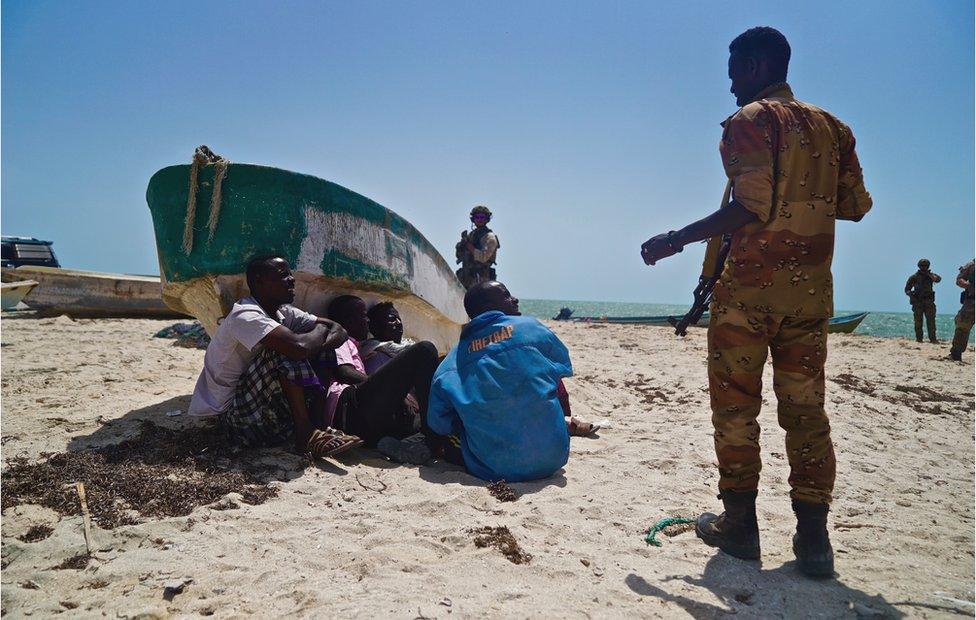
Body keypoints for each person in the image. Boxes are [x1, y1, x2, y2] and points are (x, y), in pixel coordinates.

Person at [639, 27, 872, 578]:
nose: (729, 84)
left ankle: (740, 527)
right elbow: (855, 205)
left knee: (737, 408)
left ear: (753, 64)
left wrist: (672, 240)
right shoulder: (834, 128)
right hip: (811, 297)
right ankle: (814, 539)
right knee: (806, 411)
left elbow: (751, 204)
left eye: (733, 71)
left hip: (748, 295)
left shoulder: (749, 122)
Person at [187, 256, 363, 458]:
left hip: (264, 414)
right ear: (259, 281)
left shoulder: (283, 313)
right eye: (283, 276)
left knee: (320, 348)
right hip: (231, 420)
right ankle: (305, 434)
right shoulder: (245, 315)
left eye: (290, 274)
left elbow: (339, 330)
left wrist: (316, 337)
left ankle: (318, 427)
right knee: (282, 349)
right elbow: (299, 347)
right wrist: (317, 334)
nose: (291, 280)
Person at [427, 281, 596, 482]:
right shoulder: (531, 327)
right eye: (506, 295)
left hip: (491, 469)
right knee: (546, 373)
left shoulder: (451, 363)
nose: (514, 299)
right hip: (553, 458)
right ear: (488, 305)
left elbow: (438, 423)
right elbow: (563, 366)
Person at [325, 295, 439, 462]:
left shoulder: (361, 347)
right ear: (349, 322)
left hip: (368, 428)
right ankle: (431, 440)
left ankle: (409, 444)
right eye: (364, 316)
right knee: (425, 349)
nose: (368, 321)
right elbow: (345, 372)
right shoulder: (341, 339)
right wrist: (397, 394)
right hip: (348, 410)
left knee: (428, 420)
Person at [360, 301, 414, 375]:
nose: (399, 323)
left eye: (399, 319)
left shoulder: (410, 347)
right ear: (376, 328)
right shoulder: (375, 356)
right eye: (392, 319)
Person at [454, 205, 500, 289]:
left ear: (487, 219)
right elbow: (459, 255)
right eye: (477, 217)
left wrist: (469, 246)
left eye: (482, 217)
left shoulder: (490, 237)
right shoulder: (471, 235)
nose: (479, 220)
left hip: (481, 280)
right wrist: (461, 246)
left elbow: (483, 258)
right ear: (473, 219)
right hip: (466, 277)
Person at [905, 259, 941, 343]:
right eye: (922, 266)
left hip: (929, 302)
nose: (924, 267)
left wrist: (931, 276)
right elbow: (907, 289)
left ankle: (933, 339)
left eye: (926, 266)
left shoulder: (931, 275)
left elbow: (938, 279)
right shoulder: (914, 277)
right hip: (918, 302)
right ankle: (919, 339)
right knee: (918, 321)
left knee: (931, 321)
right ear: (919, 266)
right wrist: (911, 294)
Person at [949, 259, 974, 361]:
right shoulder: (971, 265)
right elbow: (959, 280)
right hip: (972, 301)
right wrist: (968, 285)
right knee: (963, 324)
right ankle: (956, 353)